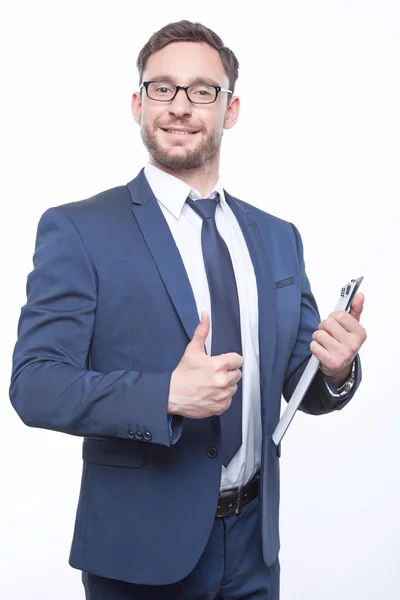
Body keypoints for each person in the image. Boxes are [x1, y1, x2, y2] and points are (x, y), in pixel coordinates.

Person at [9, 19, 367, 600]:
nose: (180, 106)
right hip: (139, 553)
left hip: (255, 546)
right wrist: (165, 395)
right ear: (137, 103)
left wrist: (334, 368)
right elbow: (34, 385)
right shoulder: (78, 230)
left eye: (202, 91)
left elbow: (298, 379)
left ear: (231, 110)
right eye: (162, 89)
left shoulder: (277, 238)